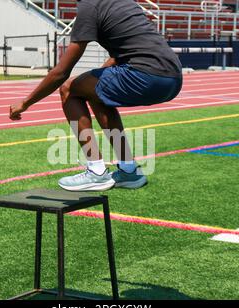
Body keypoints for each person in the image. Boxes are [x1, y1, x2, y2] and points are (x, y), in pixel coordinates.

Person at [10, 0, 183, 192]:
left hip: (146, 75)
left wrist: (25, 103)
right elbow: (122, 54)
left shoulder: (89, 6)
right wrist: (94, 82)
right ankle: (129, 170)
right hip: (173, 79)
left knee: (69, 89)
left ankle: (96, 171)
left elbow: (61, 72)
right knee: (95, 90)